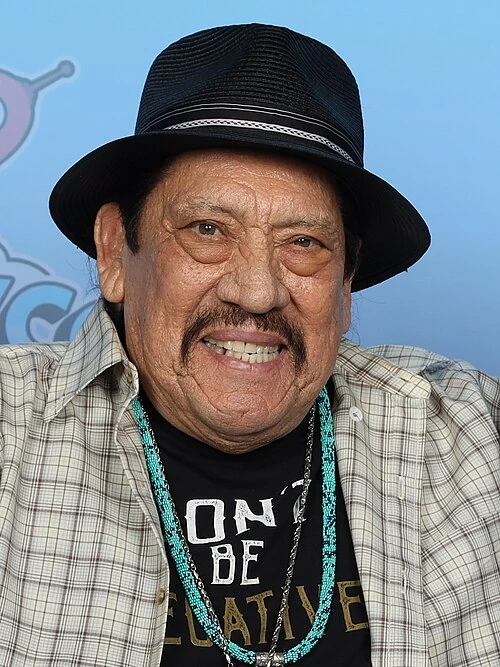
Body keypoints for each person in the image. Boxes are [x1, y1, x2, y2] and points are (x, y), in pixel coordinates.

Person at [0, 23, 498, 667]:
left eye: (304, 243)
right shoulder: (10, 433)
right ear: (115, 252)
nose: (258, 292)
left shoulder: (463, 436)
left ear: (346, 283)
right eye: (208, 230)